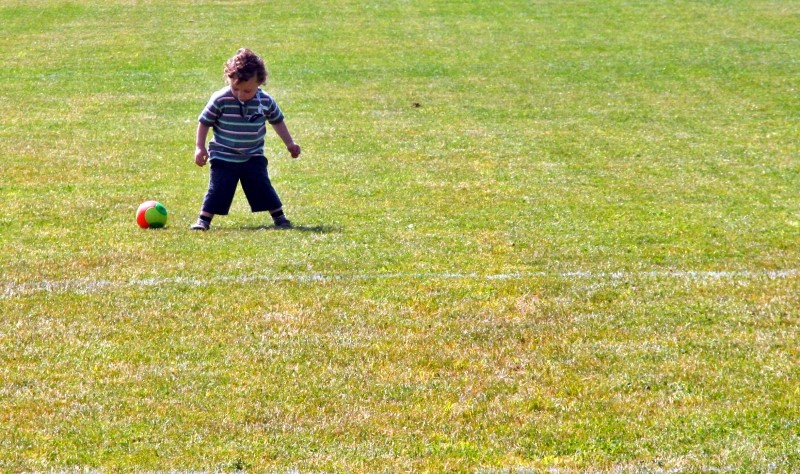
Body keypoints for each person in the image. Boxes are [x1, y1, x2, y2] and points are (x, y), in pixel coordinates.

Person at [191, 48, 301, 231]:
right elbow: (204, 122)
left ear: (260, 82)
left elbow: (277, 121)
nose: (241, 94)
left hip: (253, 155)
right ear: (229, 79)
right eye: (236, 88)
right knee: (218, 188)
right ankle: (204, 220)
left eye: (247, 91)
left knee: (262, 186)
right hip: (223, 156)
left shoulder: (264, 101)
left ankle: (280, 218)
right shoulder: (220, 99)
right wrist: (199, 147)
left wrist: (290, 143)